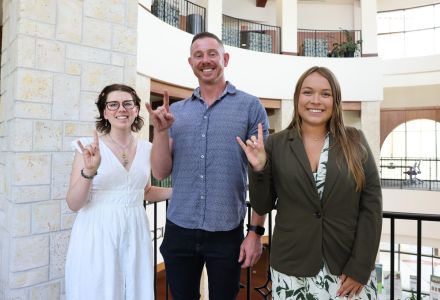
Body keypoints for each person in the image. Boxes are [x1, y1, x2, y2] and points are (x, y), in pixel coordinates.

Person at [238, 66, 382, 300]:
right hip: (292, 270)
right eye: (308, 92)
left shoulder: (355, 140)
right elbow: (262, 205)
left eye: (325, 94)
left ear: (335, 101)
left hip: (347, 271)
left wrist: (361, 267)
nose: (316, 100)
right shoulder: (275, 143)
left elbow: (371, 207)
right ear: (297, 98)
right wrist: (259, 169)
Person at [145, 31, 270, 299]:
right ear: (191, 63)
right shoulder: (176, 112)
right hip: (180, 228)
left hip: (227, 231)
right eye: (198, 55)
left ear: (225, 58)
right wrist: (161, 132)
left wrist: (256, 232)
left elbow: (263, 175)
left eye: (212, 53)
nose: (206, 60)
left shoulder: (251, 107)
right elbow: (159, 172)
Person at [65, 83, 172, 300]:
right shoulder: (87, 148)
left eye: (127, 104)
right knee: (98, 289)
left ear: (136, 110)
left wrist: (179, 192)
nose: (120, 109)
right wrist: (89, 171)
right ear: (104, 112)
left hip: (135, 229)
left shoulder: (147, 149)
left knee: (134, 288)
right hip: (97, 231)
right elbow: (74, 204)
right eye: (113, 104)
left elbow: (144, 191)